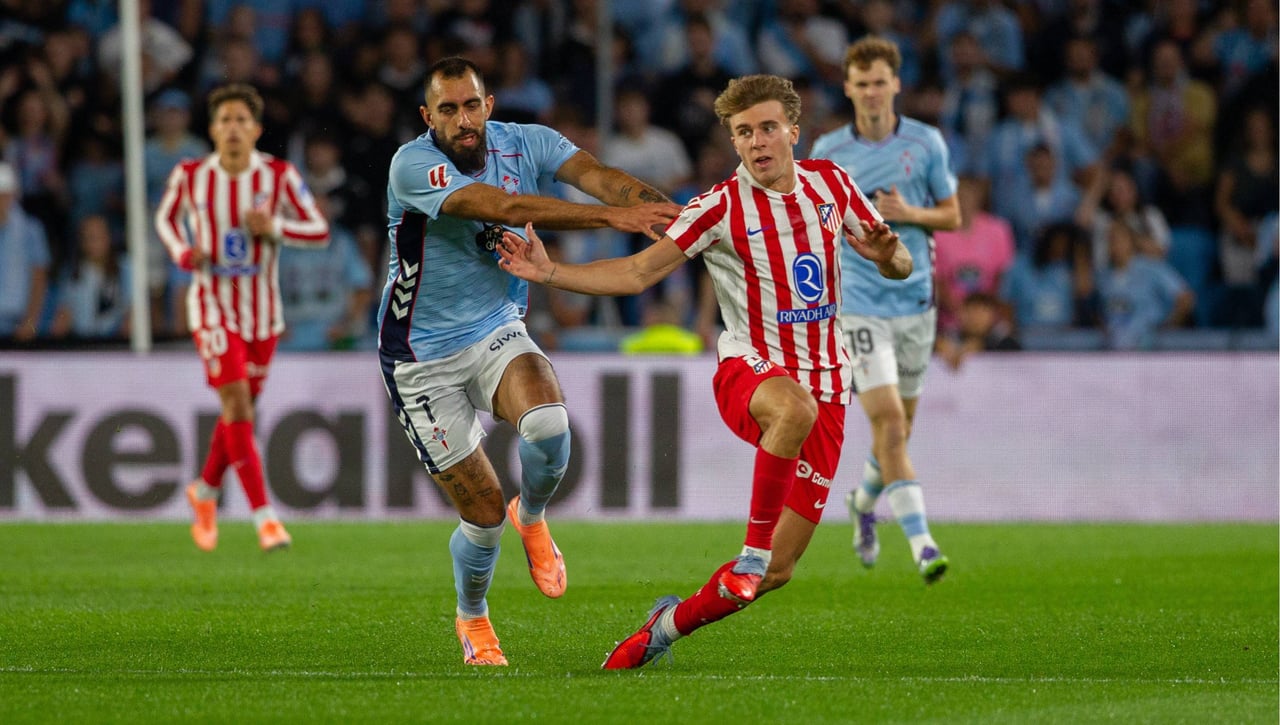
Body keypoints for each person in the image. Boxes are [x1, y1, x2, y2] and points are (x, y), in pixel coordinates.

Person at [497, 73, 911, 669]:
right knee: (792, 414)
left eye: (768, 127)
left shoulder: (833, 183)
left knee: (778, 572)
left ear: (794, 130)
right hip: (753, 370)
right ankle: (748, 550)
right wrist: (550, 273)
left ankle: (664, 627)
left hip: (828, 385)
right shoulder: (718, 207)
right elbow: (638, 274)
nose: (758, 141)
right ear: (734, 143)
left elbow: (896, 260)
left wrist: (886, 254)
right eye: (744, 132)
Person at [376, 56, 680, 667]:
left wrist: (675, 215)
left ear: (487, 104)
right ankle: (473, 616)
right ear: (426, 117)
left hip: (495, 328)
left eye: (471, 105)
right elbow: (504, 209)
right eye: (447, 109)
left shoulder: (527, 142)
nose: (462, 120)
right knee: (482, 515)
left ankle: (533, 515)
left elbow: (600, 176)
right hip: (420, 356)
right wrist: (613, 217)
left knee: (548, 423)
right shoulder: (412, 165)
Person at [809, 37, 961, 582]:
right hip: (859, 307)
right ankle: (923, 544)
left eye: (880, 82)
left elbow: (954, 215)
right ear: (847, 88)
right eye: (862, 83)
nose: (872, 93)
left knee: (898, 435)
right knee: (890, 423)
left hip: (916, 303)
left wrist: (906, 212)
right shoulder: (827, 152)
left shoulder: (925, 144)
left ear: (895, 84)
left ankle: (862, 503)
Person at [154, 83, 330, 553]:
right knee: (236, 405)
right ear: (212, 130)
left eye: (241, 121)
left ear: (256, 130)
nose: (232, 128)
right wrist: (183, 251)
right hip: (212, 305)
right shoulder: (191, 175)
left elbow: (318, 230)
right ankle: (265, 517)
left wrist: (274, 227)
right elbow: (166, 220)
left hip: (262, 314)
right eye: (224, 120)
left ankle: (205, 489)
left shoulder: (278, 175)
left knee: (240, 411)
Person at [0, 162, 51, 343]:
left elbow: (39, 278)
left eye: (5, 195)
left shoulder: (30, 229)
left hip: (17, 323)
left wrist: (30, 323)